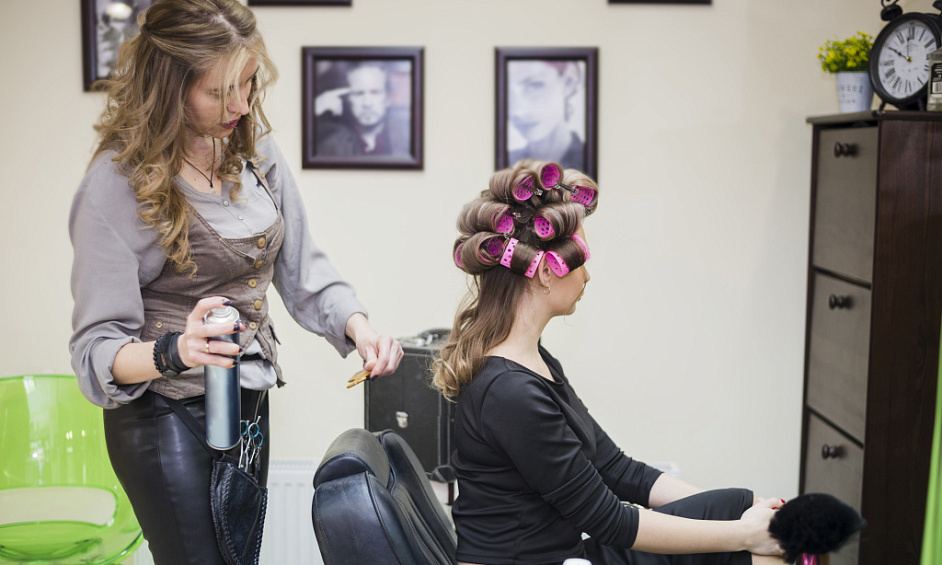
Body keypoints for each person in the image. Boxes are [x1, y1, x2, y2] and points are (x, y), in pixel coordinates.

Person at [69, 1, 403, 563]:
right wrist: (177, 350)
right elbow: (96, 350)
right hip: (164, 417)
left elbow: (301, 268)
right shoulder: (113, 185)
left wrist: (358, 326)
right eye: (220, 92)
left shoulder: (253, 152)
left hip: (246, 402)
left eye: (247, 85)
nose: (241, 106)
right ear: (169, 86)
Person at [432, 159, 785, 565]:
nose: (586, 278)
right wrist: (742, 534)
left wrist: (744, 516)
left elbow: (616, 468)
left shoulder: (534, 363)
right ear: (547, 273)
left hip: (568, 551)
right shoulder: (510, 392)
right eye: (581, 262)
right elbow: (610, 520)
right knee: (752, 553)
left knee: (740, 505)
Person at [314, 61, 411, 157]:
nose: (367, 103)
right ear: (348, 98)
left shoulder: (407, 138)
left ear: (388, 98)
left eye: (375, 92)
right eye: (358, 93)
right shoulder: (330, 144)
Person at [507, 60, 586, 172]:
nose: (517, 111)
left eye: (533, 86)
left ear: (568, 82)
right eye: (507, 93)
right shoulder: (507, 164)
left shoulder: (593, 159)